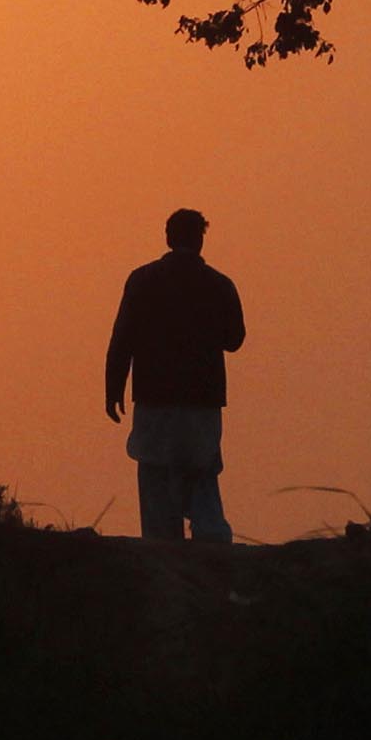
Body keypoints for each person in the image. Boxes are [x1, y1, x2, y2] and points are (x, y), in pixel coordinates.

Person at [104, 206, 245, 544]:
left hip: (155, 397)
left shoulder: (142, 281)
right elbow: (235, 340)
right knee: (202, 472)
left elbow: (122, 339)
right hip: (202, 400)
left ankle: (162, 549)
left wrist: (113, 389)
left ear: (168, 237)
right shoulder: (219, 285)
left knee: (155, 474)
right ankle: (211, 542)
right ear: (200, 240)